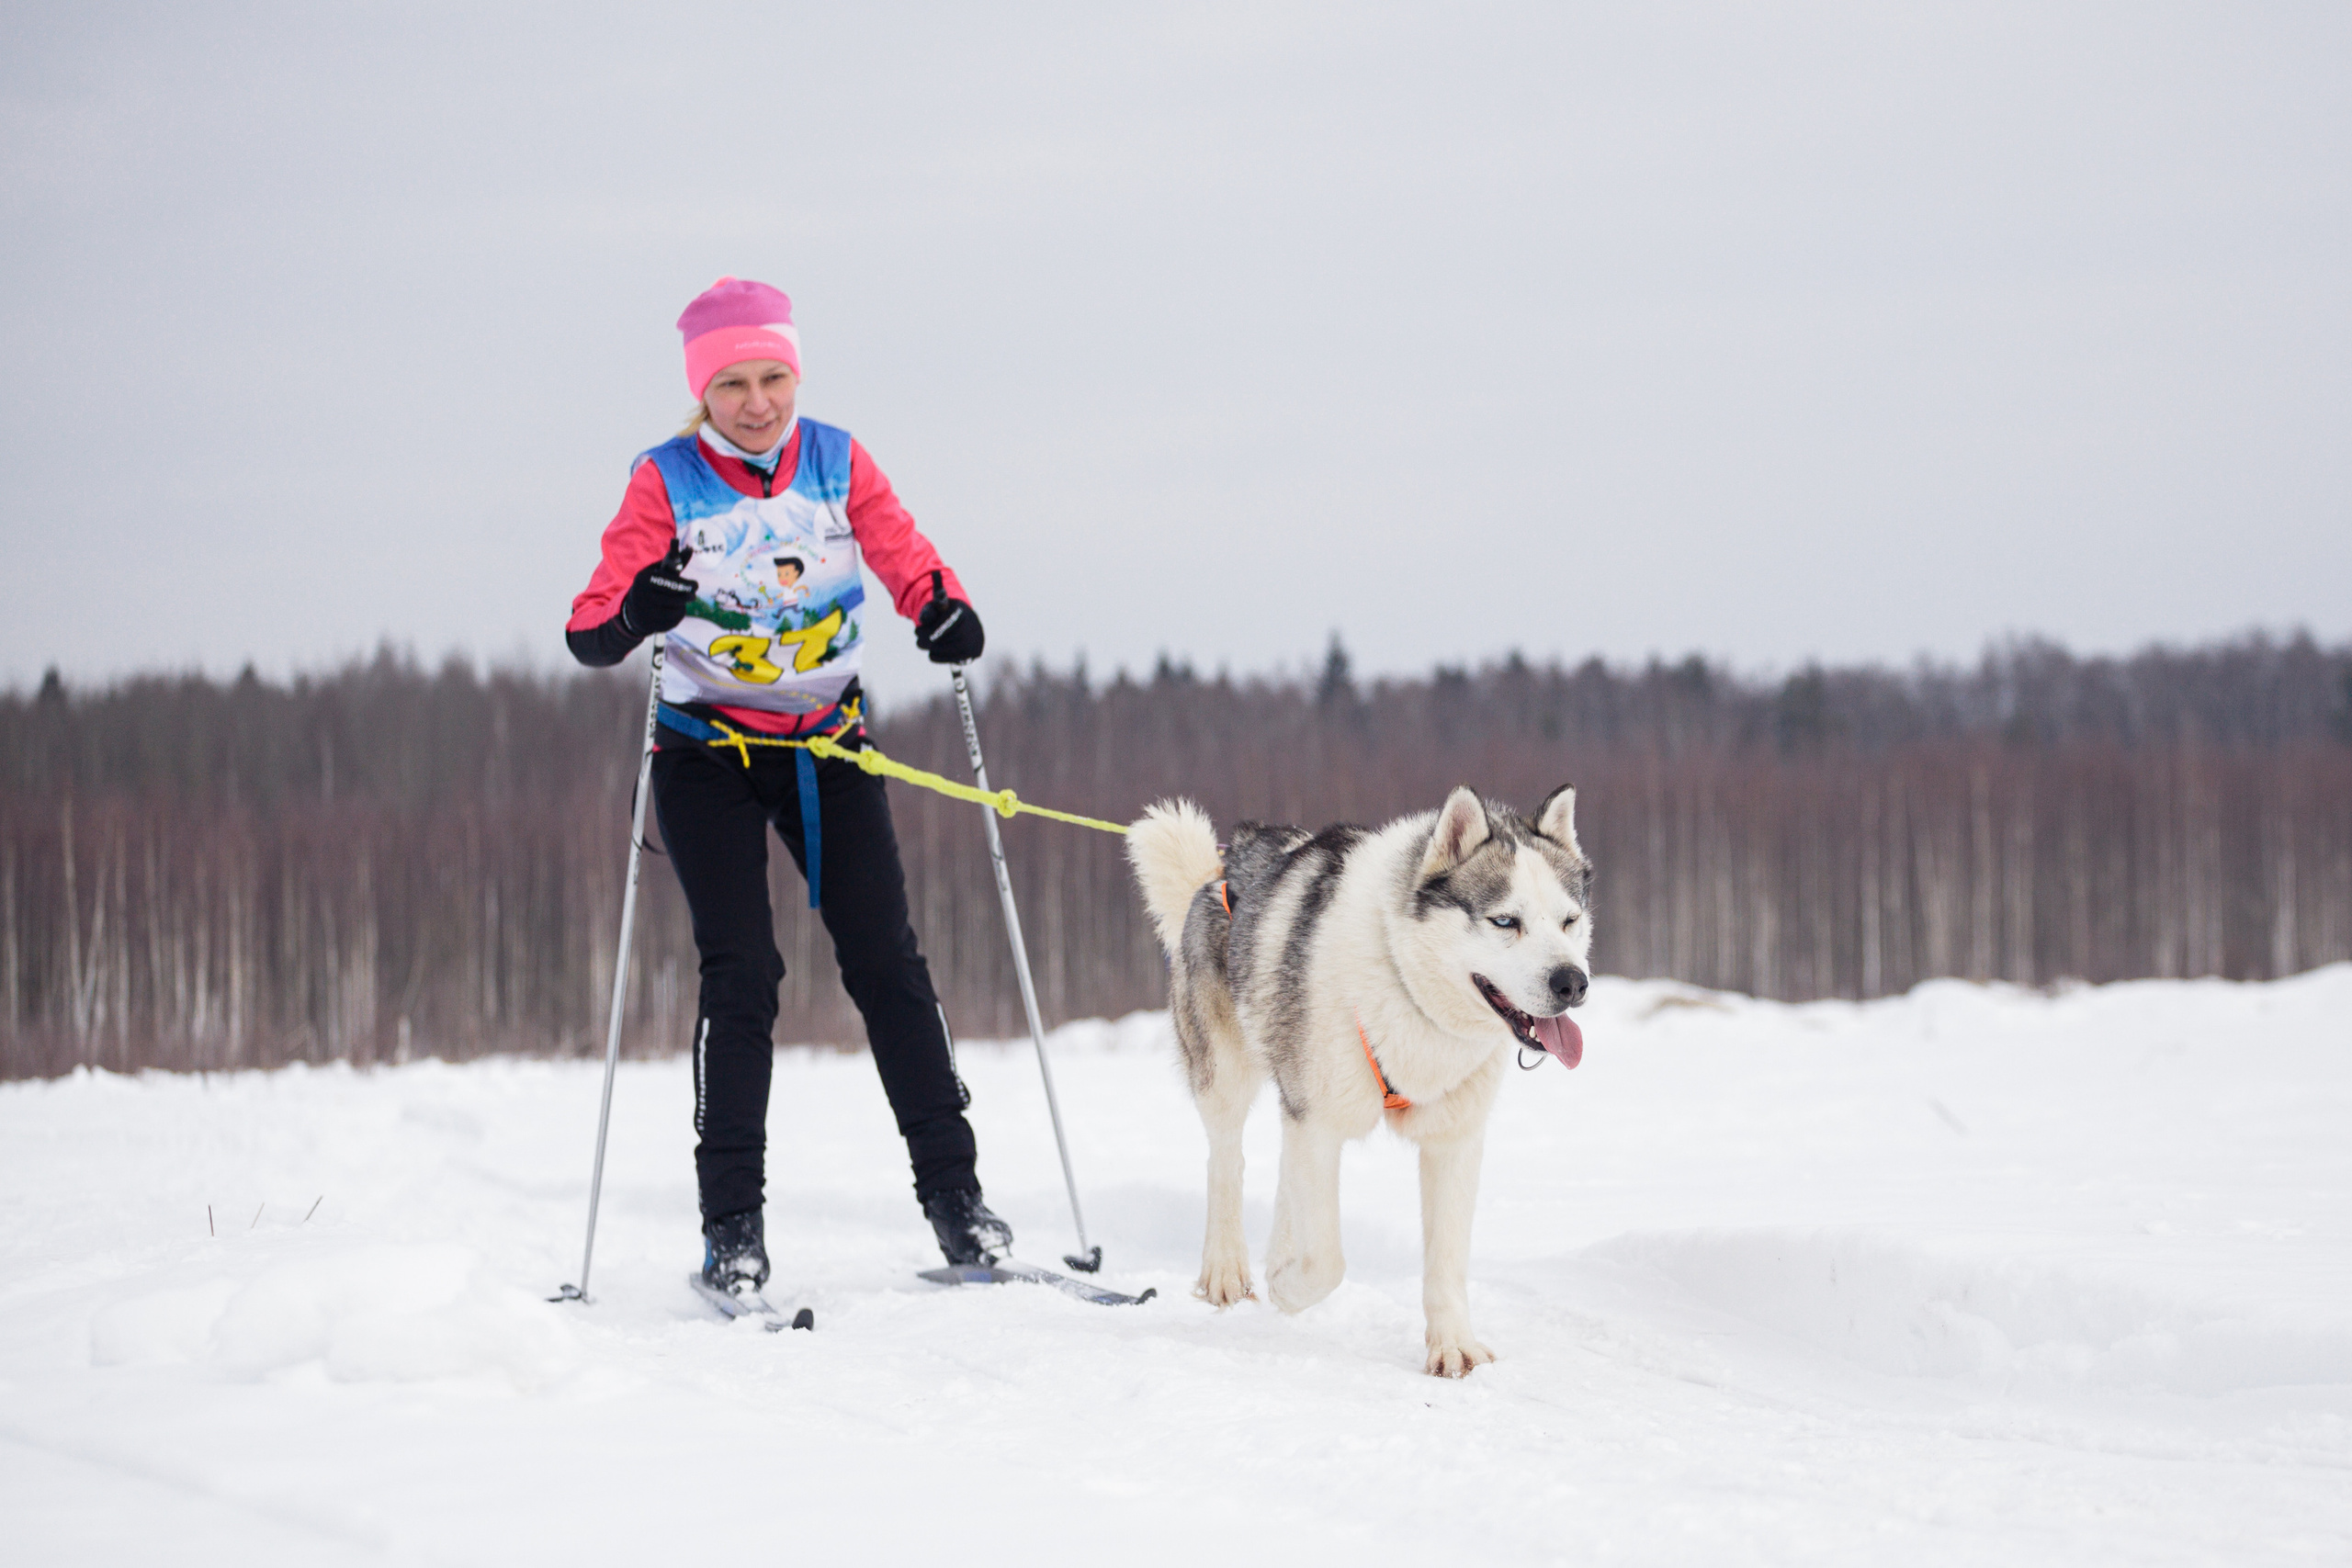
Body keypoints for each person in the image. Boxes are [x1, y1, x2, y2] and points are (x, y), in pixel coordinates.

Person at [566, 276, 1009, 1298]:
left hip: (829, 745)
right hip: (702, 750)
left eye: (772, 377)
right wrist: (644, 605)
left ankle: (957, 1202)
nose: (757, 402)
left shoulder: (838, 459)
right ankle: (733, 1229)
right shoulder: (664, 478)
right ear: (702, 390)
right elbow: (591, 628)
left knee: (887, 963)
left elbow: (908, 559)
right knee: (744, 973)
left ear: (794, 374)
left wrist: (942, 609)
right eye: (732, 383)